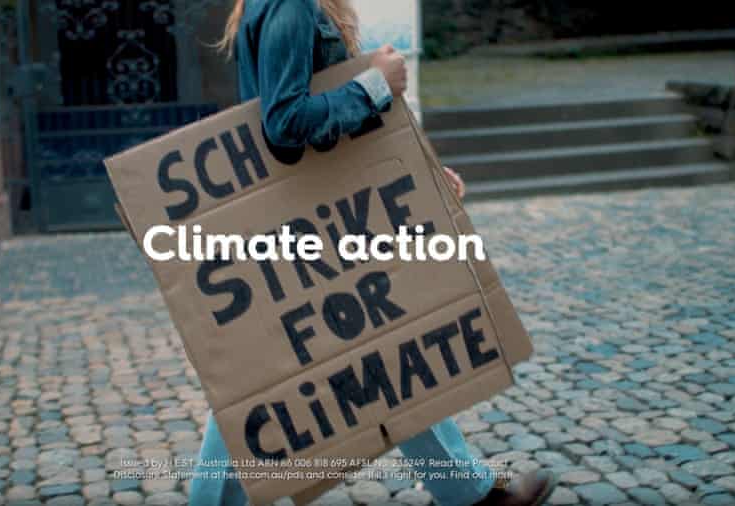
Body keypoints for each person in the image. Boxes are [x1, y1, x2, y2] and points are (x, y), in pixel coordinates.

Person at [189, 1, 556, 505]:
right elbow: (286, 124)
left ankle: (467, 493)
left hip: (324, 210)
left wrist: (415, 171)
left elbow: (327, 117)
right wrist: (377, 83)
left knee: (382, 349)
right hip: (310, 216)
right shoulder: (291, 5)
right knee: (268, 377)